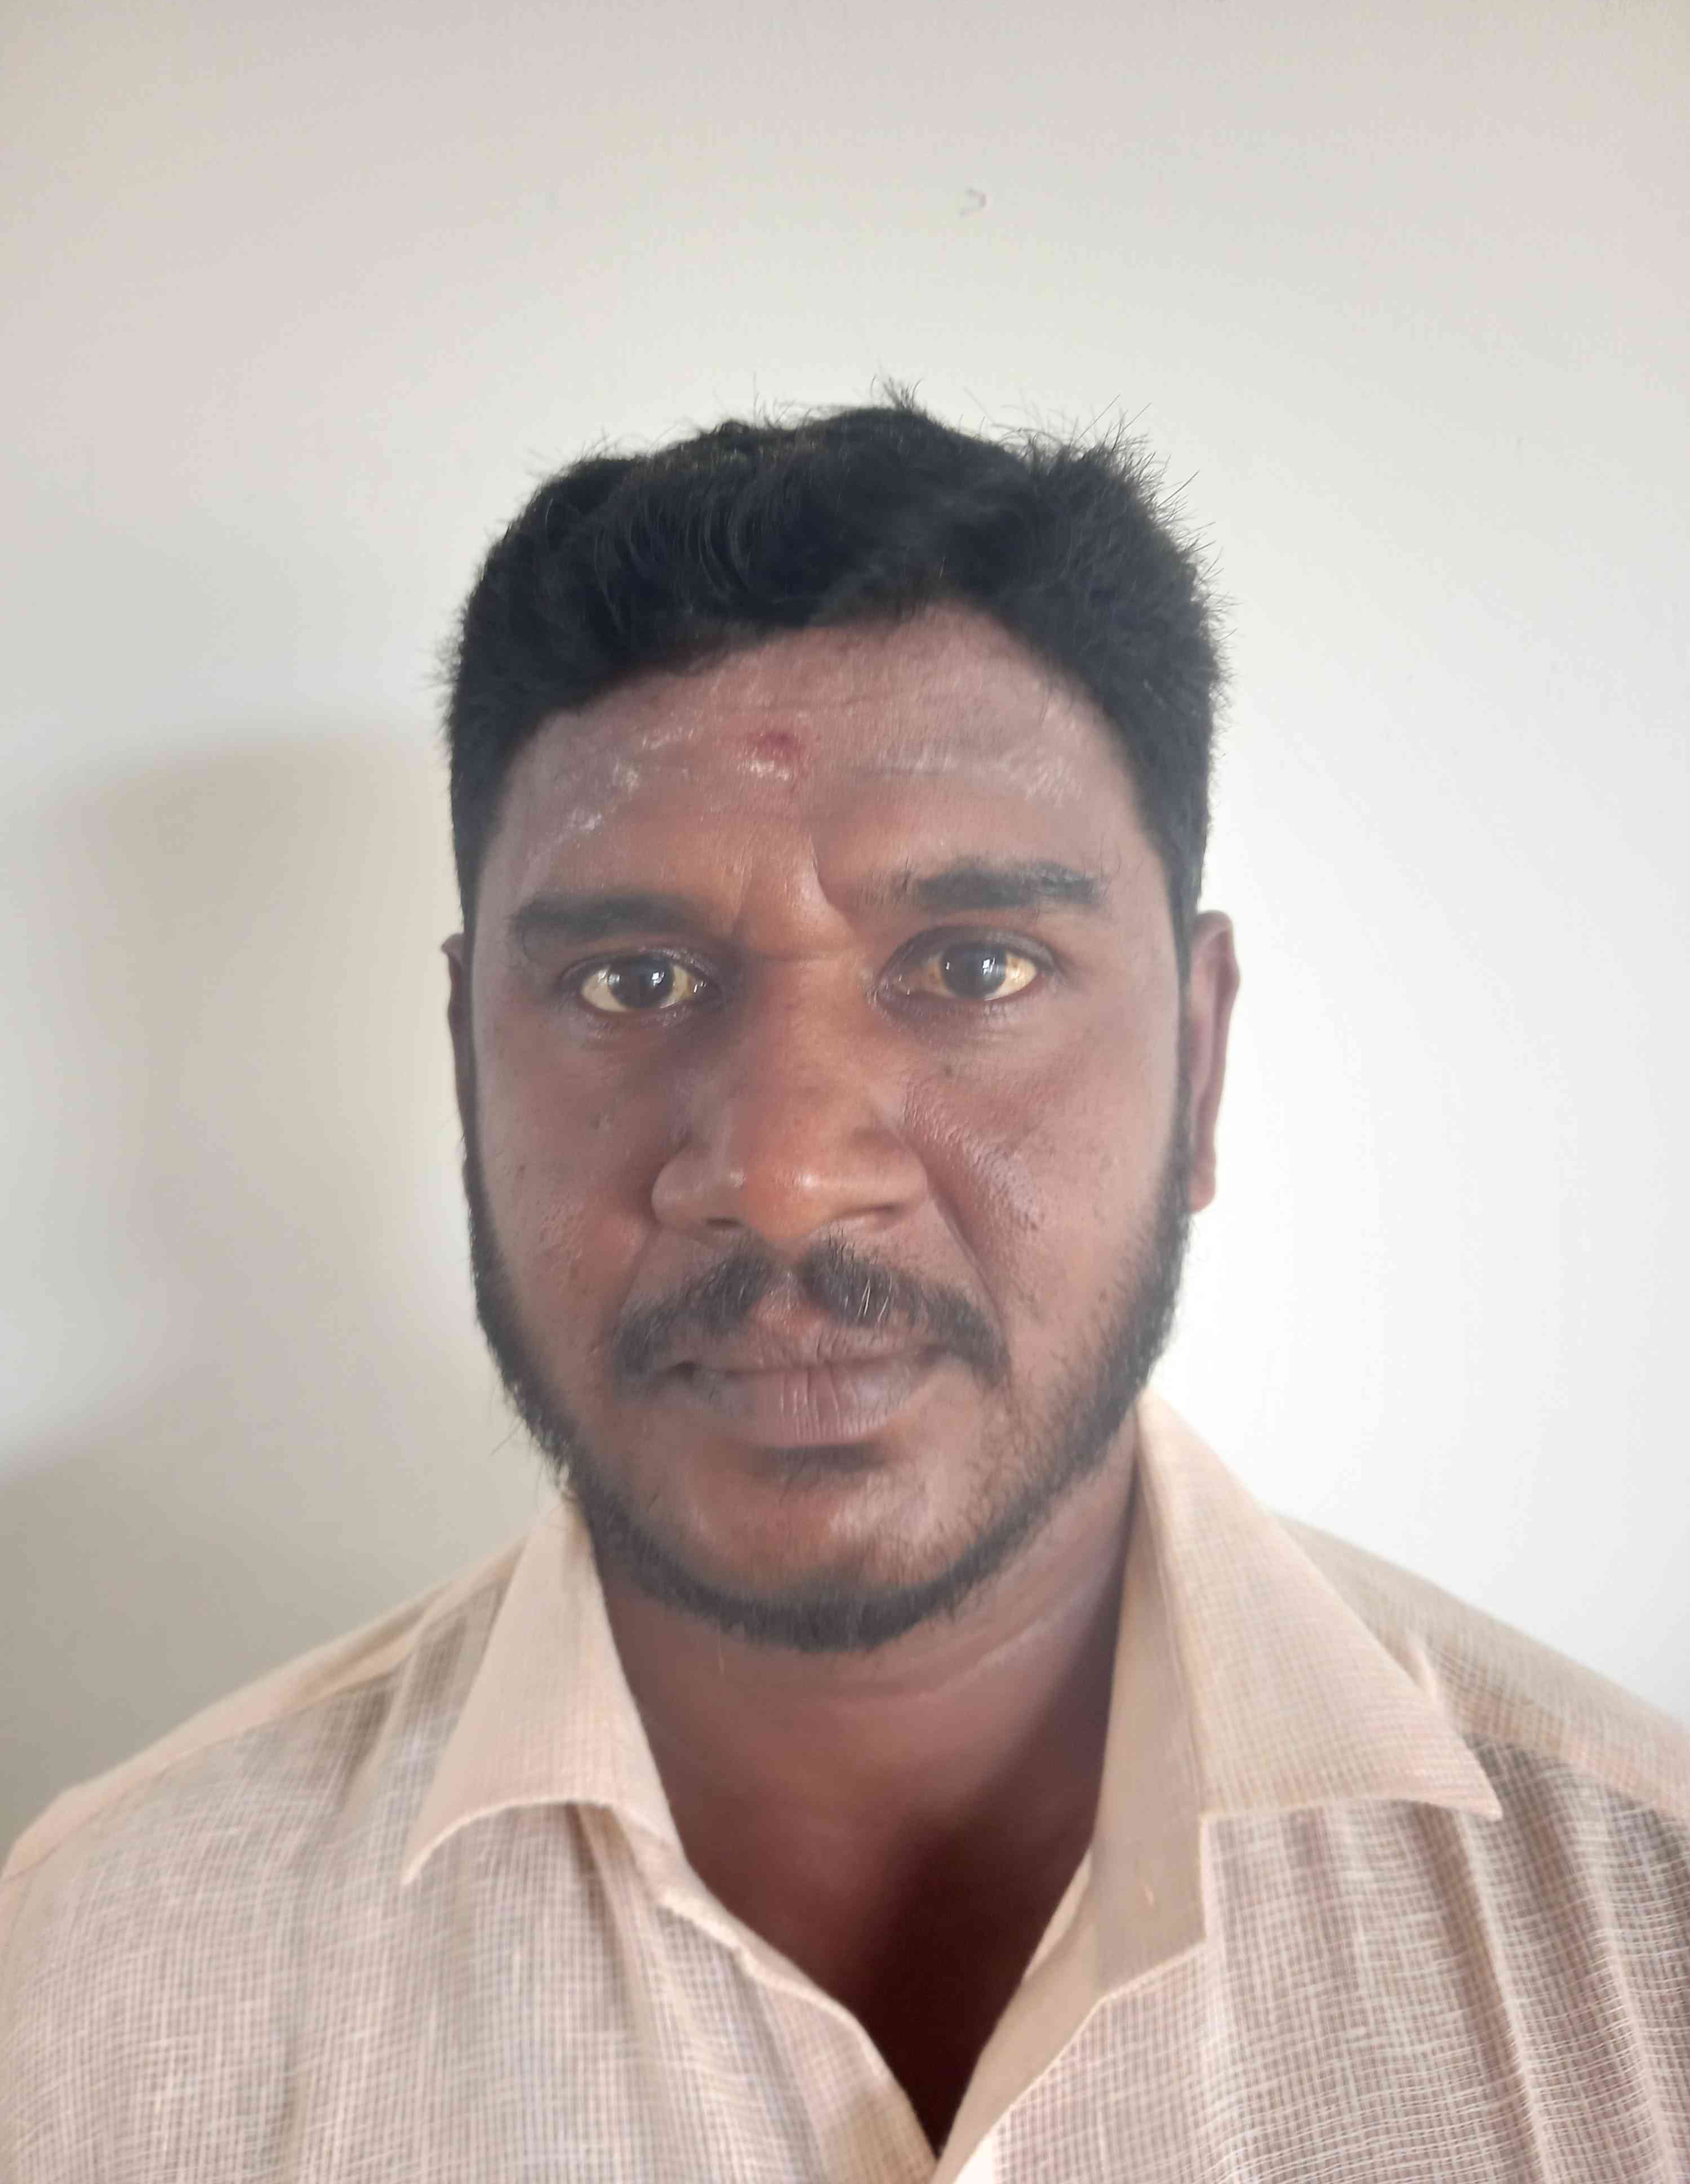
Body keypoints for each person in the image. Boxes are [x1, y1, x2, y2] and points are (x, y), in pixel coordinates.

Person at [2, 398, 1686, 2183]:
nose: (785, 1173)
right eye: (632, 983)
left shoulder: (1644, 1947)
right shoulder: (88, 1989)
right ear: (466, 1070)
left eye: (976, 965)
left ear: (1197, 1066)